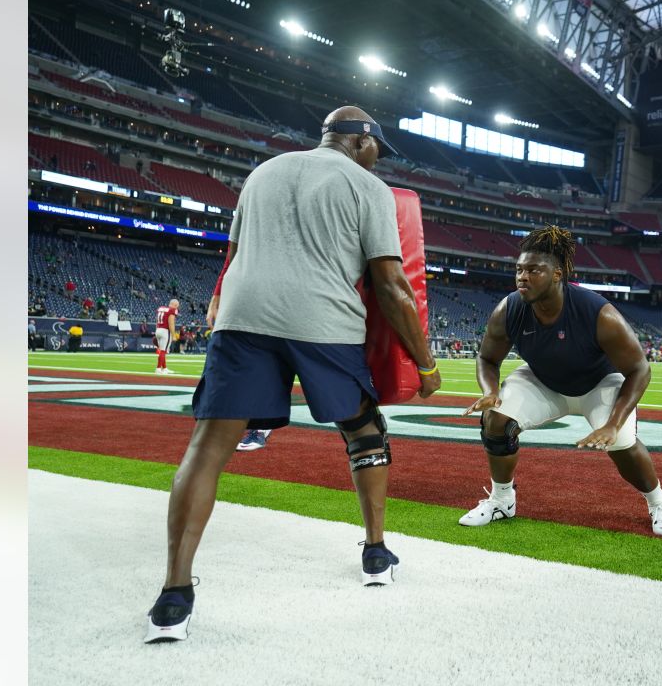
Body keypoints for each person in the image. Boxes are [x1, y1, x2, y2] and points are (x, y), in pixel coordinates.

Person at [144, 105, 441, 644]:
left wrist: (218, 305)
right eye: (378, 150)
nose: (379, 160)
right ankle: (375, 551)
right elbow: (394, 288)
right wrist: (425, 362)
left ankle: (173, 597)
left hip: (243, 315)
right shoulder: (366, 187)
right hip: (321, 319)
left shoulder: (262, 172)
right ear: (362, 142)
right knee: (364, 431)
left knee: (207, 448)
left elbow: (232, 254)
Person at [457, 225, 662, 537]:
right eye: (520, 270)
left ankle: (658, 501)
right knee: (495, 423)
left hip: (599, 383)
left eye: (534, 270)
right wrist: (490, 392)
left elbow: (640, 370)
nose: (523, 277)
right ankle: (502, 501)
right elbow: (487, 358)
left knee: (621, 443)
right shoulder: (509, 308)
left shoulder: (598, 312)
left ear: (558, 274)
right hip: (543, 379)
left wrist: (613, 424)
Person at [155, 299, 179, 375]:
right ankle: (158, 368)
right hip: (165, 331)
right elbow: (171, 324)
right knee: (163, 351)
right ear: (175, 305)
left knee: (162, 350)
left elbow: (157, 321)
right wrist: (174, 335)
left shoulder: (161, 308)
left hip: (158, 329)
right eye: (177, 306)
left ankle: (164, 369)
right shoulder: (172, 310)